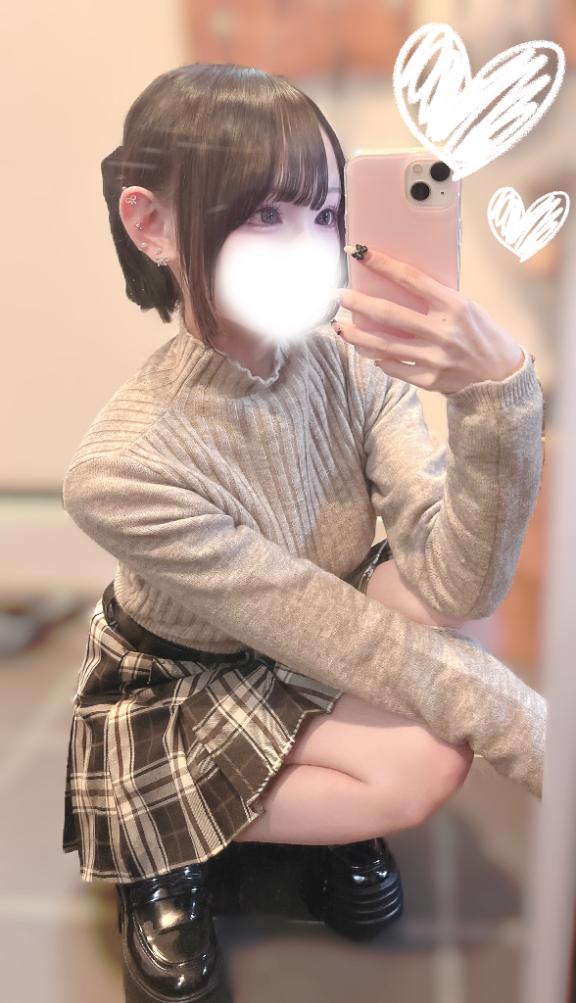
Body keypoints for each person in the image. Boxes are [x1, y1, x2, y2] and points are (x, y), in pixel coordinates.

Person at [60, 63, 546, 1002]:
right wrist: (537, 737)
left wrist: (496, 396)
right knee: (428, 753)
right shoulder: (120, 467)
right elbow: (333, 629)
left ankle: (273, 818)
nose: (312, 248)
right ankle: (163, 849)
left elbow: (460, 584)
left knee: (432, 639)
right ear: (151, 223)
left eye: (325, 213)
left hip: (309, 626)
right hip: (183, 674)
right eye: (265, 213)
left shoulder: (352, 362)